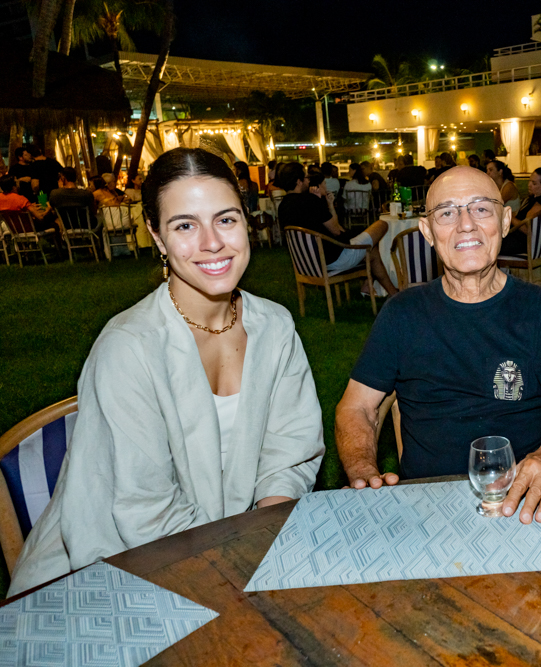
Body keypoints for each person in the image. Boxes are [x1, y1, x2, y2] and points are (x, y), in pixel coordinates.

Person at [8, 148, 326, 596]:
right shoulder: (129, 347)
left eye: (226, 219)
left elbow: (290, 455)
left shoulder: (273, 325)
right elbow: (145, 511)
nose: (212, 242)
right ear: (157, 238)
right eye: (184, 225)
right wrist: (239, 565)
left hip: (236, 554)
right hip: (113, 571)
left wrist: (265, 537)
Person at [334, 166, 541, 525]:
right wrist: (363, 472)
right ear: (428, 232)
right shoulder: (402, 313)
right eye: (447, 213)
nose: (465, 224)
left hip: (522, 500)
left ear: (505, 219)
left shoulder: (540, 308)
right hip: (423, 508)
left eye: (481, 208)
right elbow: (357, 407)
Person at [277, 161, 397, 296]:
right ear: (299, 181)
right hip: (334, 258)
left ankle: (385, 291)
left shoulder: (282, 207)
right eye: (306, 177)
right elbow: (336, 230)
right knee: (382, 225)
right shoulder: (309, 201)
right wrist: (327, 204)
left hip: (308, 263)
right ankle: (392, 292)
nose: (308, 180)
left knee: (372, 250)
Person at [500, 167, 541, 256]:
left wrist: (509, 216)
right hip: (528, 244)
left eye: (534, 183)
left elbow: (528, 230)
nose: (529, 185)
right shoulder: (540, 202)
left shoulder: (539, 206)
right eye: (530, 181)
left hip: (523, 245)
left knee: (491, 244)